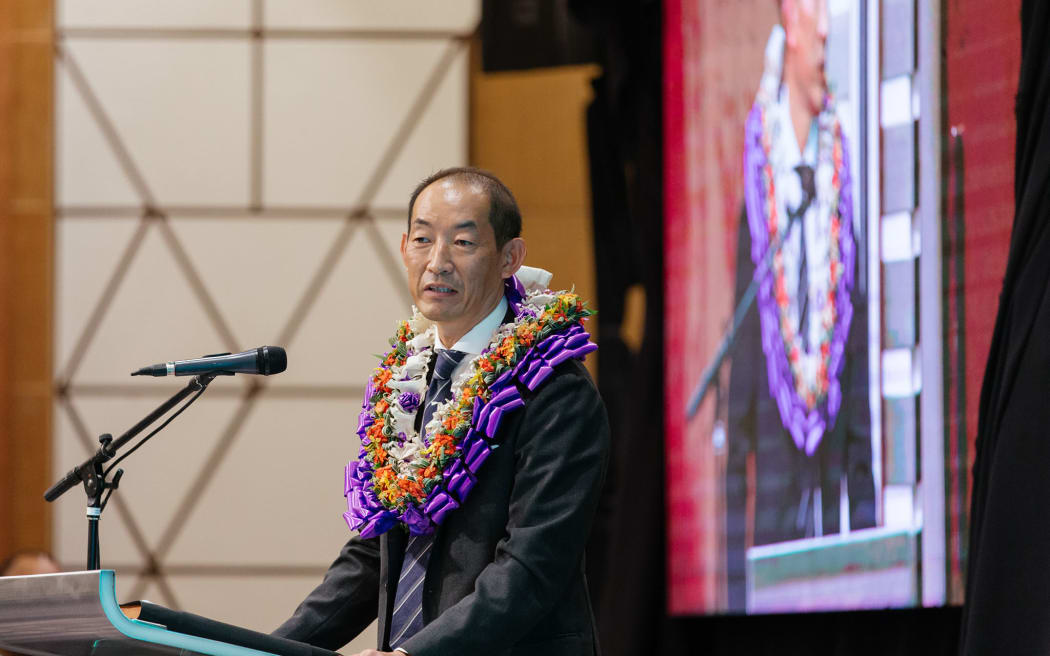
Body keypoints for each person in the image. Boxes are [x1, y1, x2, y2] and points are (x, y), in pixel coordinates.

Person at [274, 167, 609, 656]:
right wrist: (264, 650)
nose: (437, 262)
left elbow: (532, 567)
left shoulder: (554, 389)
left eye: (463, 243)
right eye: (424, 240)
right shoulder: (406, 382)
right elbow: (376, 553)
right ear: (404, 245)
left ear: (510, 258)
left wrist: (417, 654)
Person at [725, 0, 876, 610]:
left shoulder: (837, 160)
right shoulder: (761, 173)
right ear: (791, 40)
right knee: (776, 540)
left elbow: (850, 286)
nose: (825, 65)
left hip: (840, 390)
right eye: (819, 48)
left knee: (848, 515)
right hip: (772, 391)